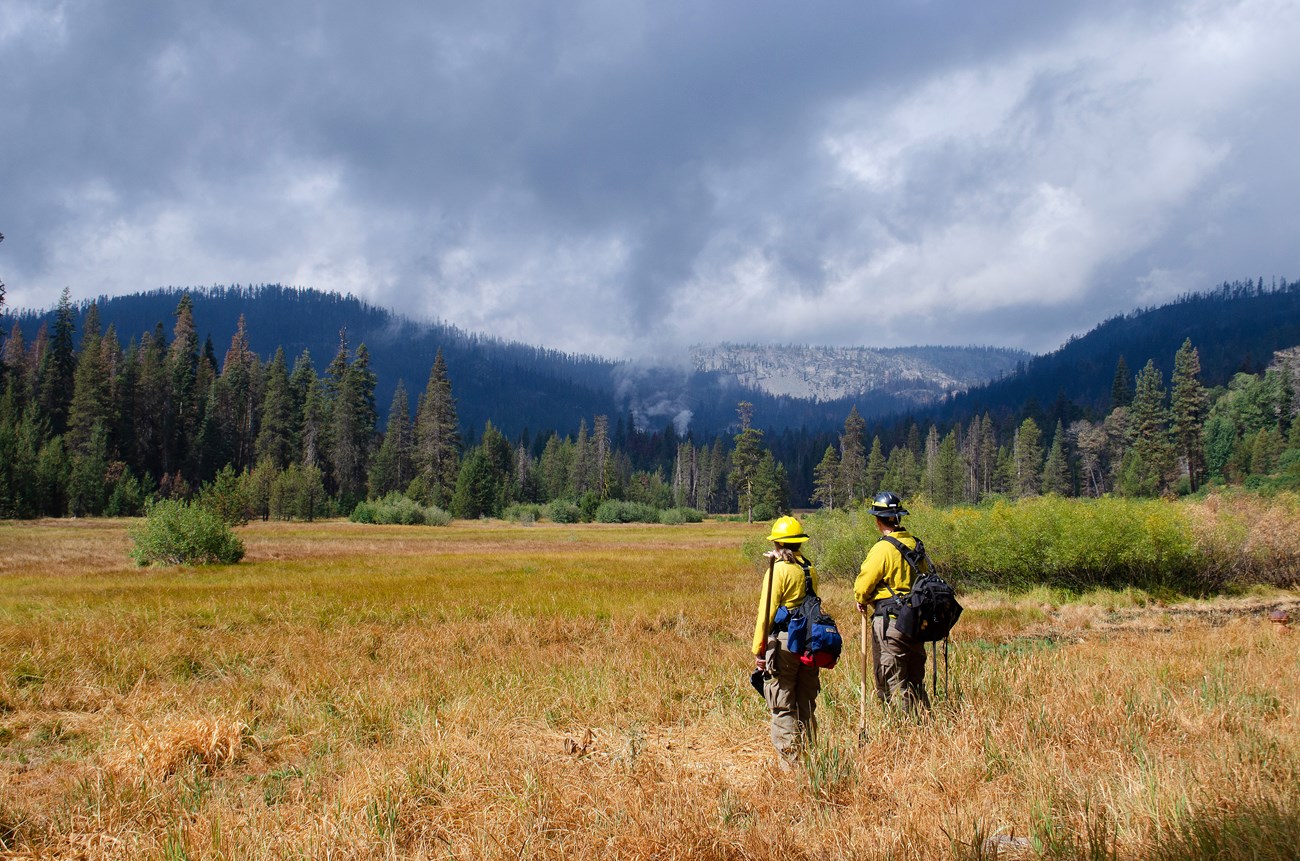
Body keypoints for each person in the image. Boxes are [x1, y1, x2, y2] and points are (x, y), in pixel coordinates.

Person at [752, 515, 821, 767]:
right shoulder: (809, 568)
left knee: (782, 704)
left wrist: (759, 650)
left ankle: (792, 767)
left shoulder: (778, 571)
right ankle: (812, 760)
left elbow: (765, 614)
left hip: (783, 643)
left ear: (778, 545)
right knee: (806, 704)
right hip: (809, 643)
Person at [854, 491, 931, 714]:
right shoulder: (916, 544)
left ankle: (903, 734)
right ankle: (925, 728)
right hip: (915, 623)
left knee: (893, 683)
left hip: (890, 624)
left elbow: (862, 588)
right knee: (915, 681)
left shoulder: (883, 548)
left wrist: (863, 600)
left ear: (878, 521)